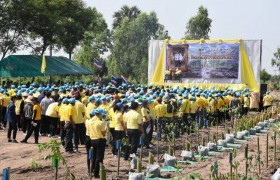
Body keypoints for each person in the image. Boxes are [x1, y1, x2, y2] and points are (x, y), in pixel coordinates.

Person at [88, 108, 107, 178]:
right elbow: (104, 133)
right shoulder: (100, 122)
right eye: (102, 114)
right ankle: (96, 173)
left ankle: (91, 170)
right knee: (99, 158)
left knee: (94, 156)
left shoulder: (90, 121)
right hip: (100, 140)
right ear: (99, 114)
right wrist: (106, 128)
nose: (103, 116)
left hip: (92, 140)